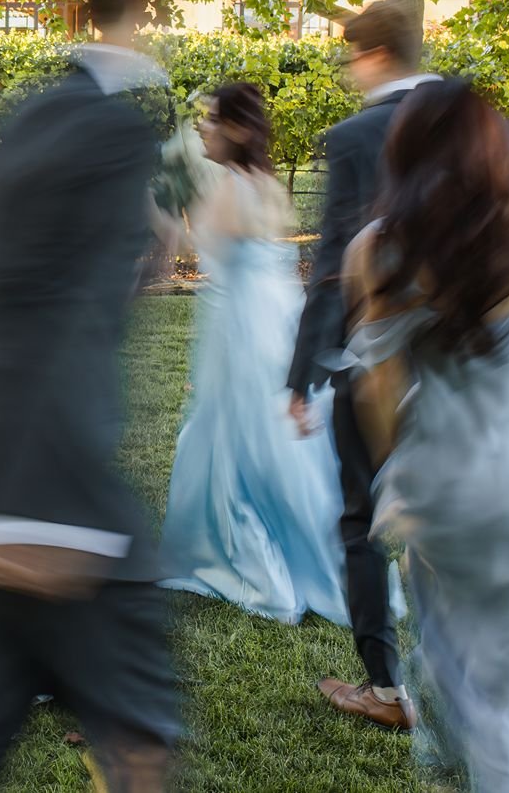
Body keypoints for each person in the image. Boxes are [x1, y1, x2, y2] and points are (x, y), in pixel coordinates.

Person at [0, 0, 180, 792]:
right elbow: (70, 308)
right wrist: (46, 513)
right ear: (147, 7)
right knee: (141, 729)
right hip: (56, 486)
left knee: (0, 708)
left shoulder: (30, 115)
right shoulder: (117, 132)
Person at [343, 80, 509, 790]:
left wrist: (399, 474)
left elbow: (376, 389)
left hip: (441, 486)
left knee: (454, 646)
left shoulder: (376, 251)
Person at [287, 0, 436, 729]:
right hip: (464, 358)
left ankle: (386, 687)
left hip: (373, 355)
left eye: (351, 56)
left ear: (372, 54)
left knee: (364, 517)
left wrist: (300, 374)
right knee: (455, 514)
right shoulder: (477, 119)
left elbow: (333, 269)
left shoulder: (354, 136)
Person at [156, 83, 352, 626]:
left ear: (238, 129)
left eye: (213, 120)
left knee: (234, 437)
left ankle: (253, 562)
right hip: (275, 319)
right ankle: (306, 543)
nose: (203, 128)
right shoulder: (264, 184)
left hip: (242, 329)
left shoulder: (231, 190)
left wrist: (158, 206)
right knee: (271, 438)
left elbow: (196, 248)